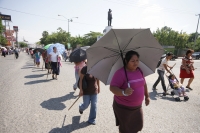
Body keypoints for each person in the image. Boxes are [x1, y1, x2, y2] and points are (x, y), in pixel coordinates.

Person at [110, 51, 150, 133]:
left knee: (137, 126)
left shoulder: (139, 70)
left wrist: (147, 96)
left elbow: (144, 84)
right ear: (126, 61)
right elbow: (112, 88)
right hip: (123, 107)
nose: (135, 63)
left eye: (137, 60)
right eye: (132, 61)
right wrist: (123, 92)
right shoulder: (120, 73)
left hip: (137, 107)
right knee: (125, 129)